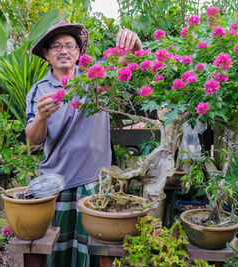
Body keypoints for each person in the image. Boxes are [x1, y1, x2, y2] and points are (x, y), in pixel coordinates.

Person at [25, 20, 142, 267]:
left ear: (79, 52)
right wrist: (41, 117)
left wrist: (133, 40)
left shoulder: (96, 78)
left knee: (92, 251)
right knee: (55, 249)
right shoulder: (39, 90)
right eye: (56, 46)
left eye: (70, 45)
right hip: (56, 182)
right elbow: (33, 139)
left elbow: (129, 59)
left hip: (95, 180)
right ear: (46, 54)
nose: (63, 51)